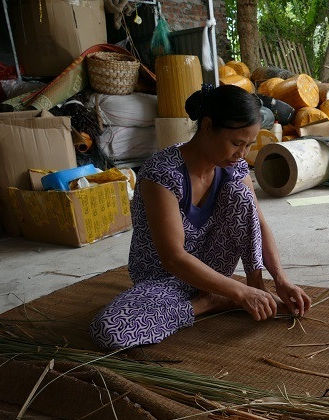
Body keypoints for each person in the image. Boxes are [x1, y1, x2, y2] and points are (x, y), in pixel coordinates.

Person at [90, 84, 311, 349]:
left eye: (248, 145)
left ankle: (255, 285)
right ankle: (208, 301)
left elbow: (258, 223)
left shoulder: (234, 167)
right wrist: (237, 291)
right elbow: (174, 258)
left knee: (241, 196)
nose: (241, 154)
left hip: (214, 269)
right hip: (165, 280)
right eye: (236, 143)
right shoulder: (161, 174)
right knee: (109, 330)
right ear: (207, 127)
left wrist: (280, 279)